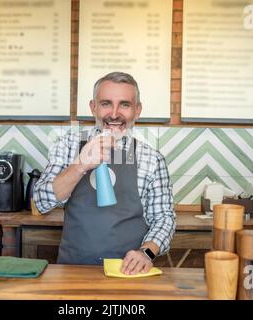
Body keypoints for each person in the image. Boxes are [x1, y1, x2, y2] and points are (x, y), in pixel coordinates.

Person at [33, 72, 175, 275]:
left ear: (137, 110)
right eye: (106, 103)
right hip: (73, 270)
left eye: (124, 104)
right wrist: (80, 164)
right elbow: (41, 202)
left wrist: (146, 254)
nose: (115, 114)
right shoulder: (67, 146)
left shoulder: (152, 158)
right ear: (93, 108)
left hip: (129, 272)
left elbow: (164, 218)